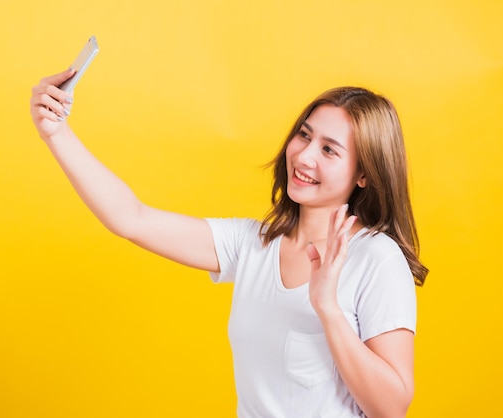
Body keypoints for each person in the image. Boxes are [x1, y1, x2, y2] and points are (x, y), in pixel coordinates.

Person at [30, 68, 428, 418]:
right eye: (303, 135)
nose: (304, 156)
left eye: (329, 149)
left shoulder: (376, 258)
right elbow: (131, 218)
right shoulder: (254, 245)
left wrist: (328, 309)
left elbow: (391, 408)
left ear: (363, 174)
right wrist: (56, 132)